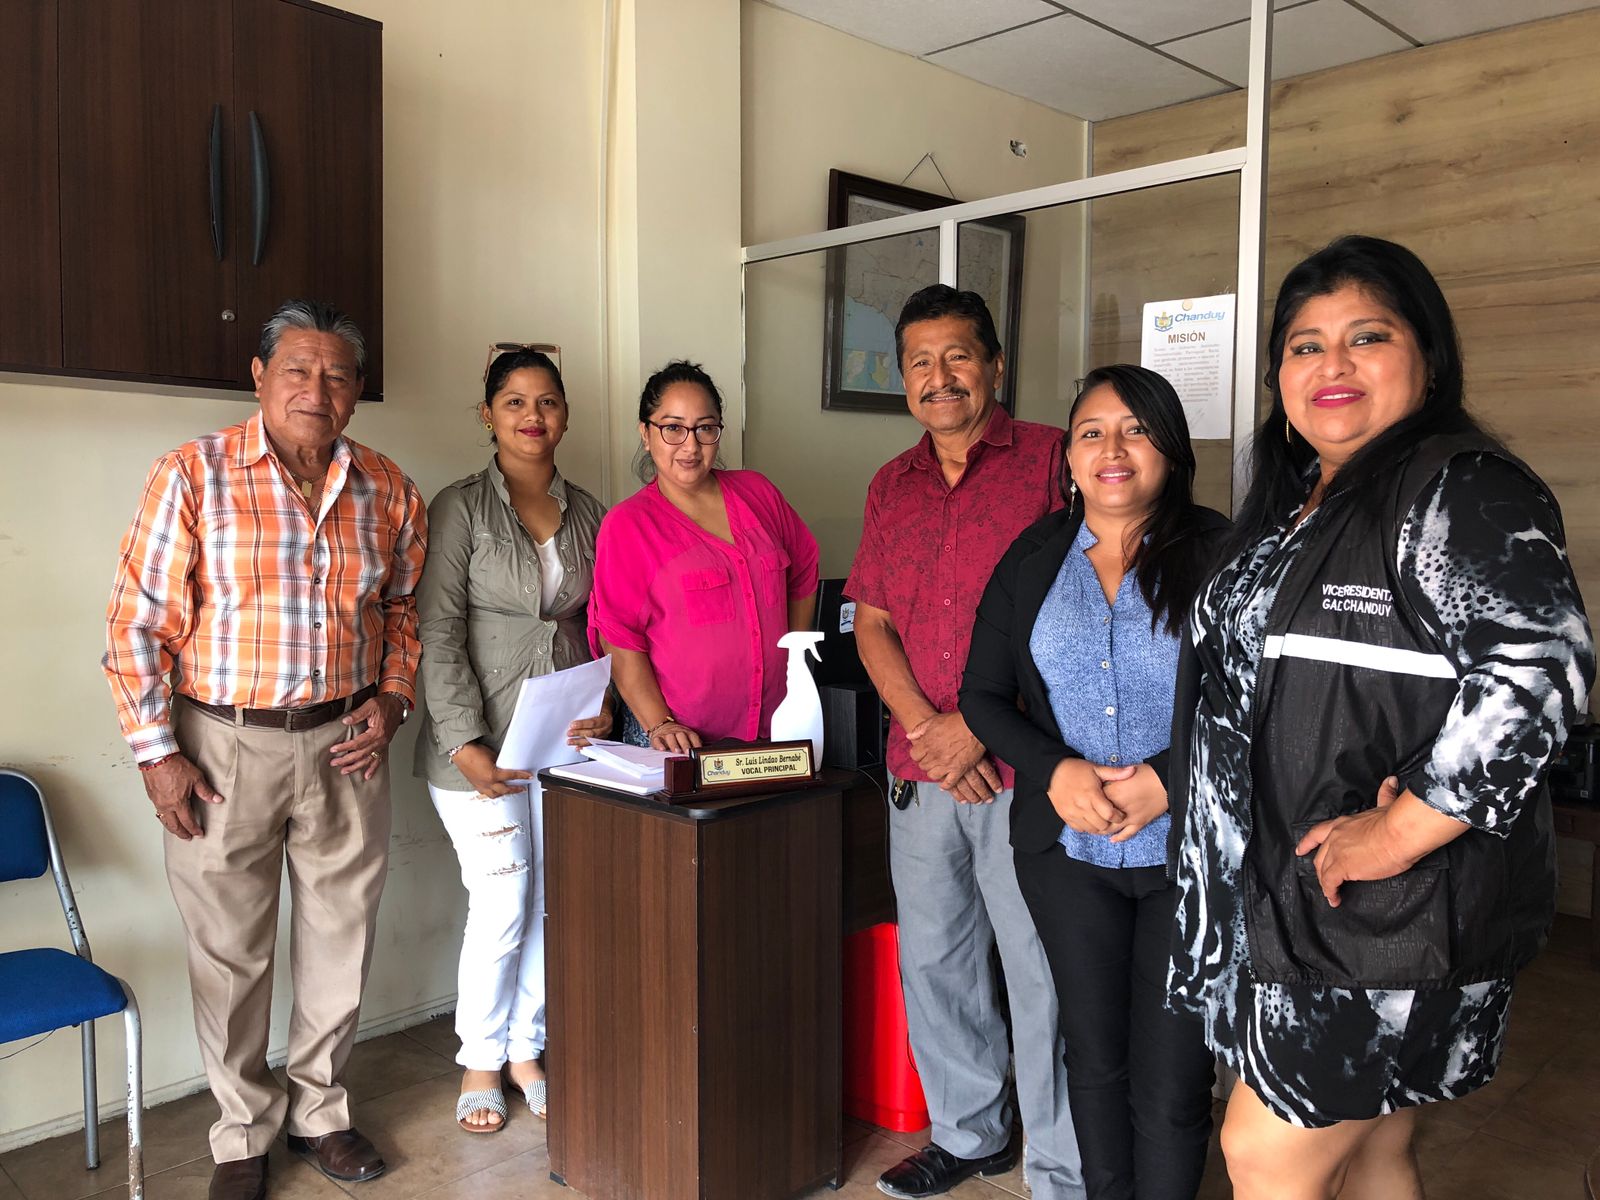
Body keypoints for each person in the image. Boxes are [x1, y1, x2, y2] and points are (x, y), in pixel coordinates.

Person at [1165, 235, 1595, 1199]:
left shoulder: (1457, 487)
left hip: (1373, 912)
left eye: (1367, 336)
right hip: (1288, 898)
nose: (1333, 364)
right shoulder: (1302, 502)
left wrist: (1398, 833)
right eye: (1305, 345)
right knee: (1373, 1149)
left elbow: (1541, 671)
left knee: (1264, 1154)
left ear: (1427, 358)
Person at [103, 300, 427, 1200]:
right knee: (229, 953)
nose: (316, 390)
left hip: (348, 742)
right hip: (222, 746)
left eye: (336, 375)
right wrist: (156, 754)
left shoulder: (389, 488)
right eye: (297, 370)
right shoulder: (192, 473)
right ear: (259, 376)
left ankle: (320, 1112)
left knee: (340, 939)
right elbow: (135, 626)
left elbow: (403, 613)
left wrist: (394, 699)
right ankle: (242, 1131)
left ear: (357, 390)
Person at [960, 365, 1226, 1200]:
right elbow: (982, 695)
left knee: (1173, 1079)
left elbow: (1264, 702)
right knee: (1095, 1059)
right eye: (1092, 432)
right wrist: (1055, 770)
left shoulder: (1224, 553)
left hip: (1187, 855)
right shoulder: (1034, 557)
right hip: (1067, 855)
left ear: (1171, 450)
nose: (1113, 449)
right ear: (1069, 457)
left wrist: (1171, 780)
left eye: (1136, 430)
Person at [845, 284, 1082, 1200]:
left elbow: (1089, 605)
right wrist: (925, 728)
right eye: (919, 362)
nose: (938, 378)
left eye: (957, 357)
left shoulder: (1054, 461)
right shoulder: (890, 484)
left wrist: (977, 726)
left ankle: (1062, 1166)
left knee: (1042, 969)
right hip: (922, 770)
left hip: (1027, 769)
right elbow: (873, 622)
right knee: (936, 962)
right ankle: (970, 1133)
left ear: (994, 365)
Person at [412, 346, 610, 1134]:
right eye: (515, 402)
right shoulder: (460, 508)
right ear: (488, 415)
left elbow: (604, 628)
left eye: (548, 401)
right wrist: (464, 741)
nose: (534, 416)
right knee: (502, 901)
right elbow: (436, 629)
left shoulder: (593, 514)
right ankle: (480, 1059)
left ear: (565, 414)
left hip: (562, 740)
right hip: (478, 745)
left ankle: (528, 1050)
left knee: (552, 902)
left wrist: (605, 708)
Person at [588, 360, 819, 750]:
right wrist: (660, 724)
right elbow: (619, 639)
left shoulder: (758, 493)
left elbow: (803, 570)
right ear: (646, 434)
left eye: (705, 428)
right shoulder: (628, 525)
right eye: (673, 428)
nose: (691, 446)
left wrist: (792, 660)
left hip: (777, 729)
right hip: (683, 742)